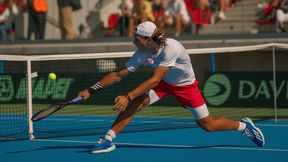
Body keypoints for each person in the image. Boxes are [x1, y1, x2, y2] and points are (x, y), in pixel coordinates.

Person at [78, 21, 265, 154]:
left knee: (208, 125)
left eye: (137, 38)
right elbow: (118, 74)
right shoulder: (141, 53)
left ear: (148, 39)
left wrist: (127, 95)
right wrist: (90, 90)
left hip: (185, 86)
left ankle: (242, 126)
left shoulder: (171, 48)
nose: (134, 40)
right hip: (164, 84)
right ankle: (107, 140)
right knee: (137, 102)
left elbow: (155, 78)